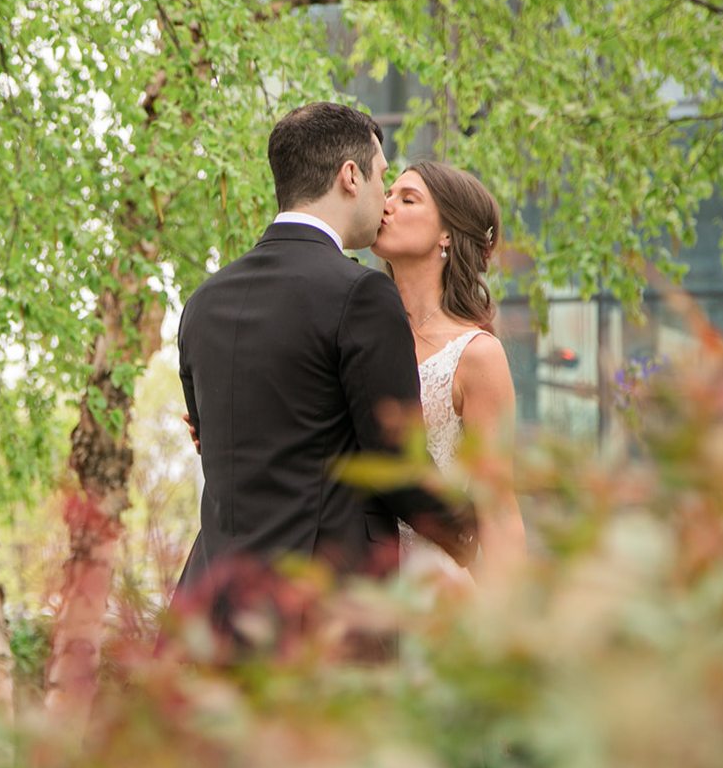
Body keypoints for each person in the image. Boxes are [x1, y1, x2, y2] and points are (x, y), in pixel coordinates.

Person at [174, 103, 477, 618]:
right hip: (317, 612)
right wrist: (470, 535)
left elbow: (212, 443)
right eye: (383, 177)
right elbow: (395, 465)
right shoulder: (360, 294)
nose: (384, 199)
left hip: (209, 610)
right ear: (350, 176)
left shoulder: (203, 303)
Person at [371, 162, 525, 581]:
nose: (386, 206)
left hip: (434, 588)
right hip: (360, 586)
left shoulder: (476, 355)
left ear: (447, 234)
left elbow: (496, 506)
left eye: (407, 199)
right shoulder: (358, 335)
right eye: (387, 194)